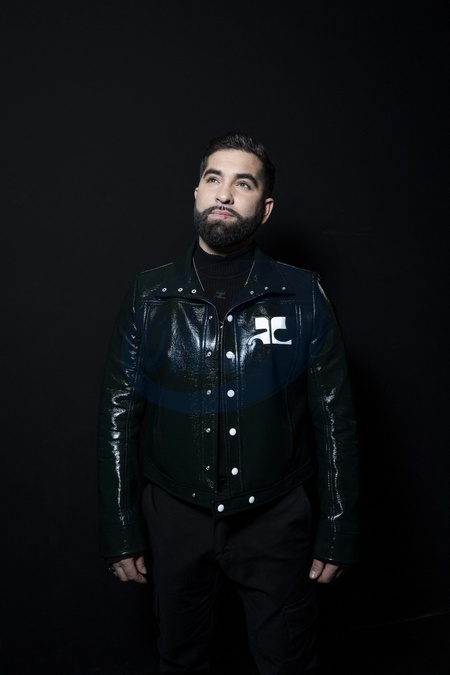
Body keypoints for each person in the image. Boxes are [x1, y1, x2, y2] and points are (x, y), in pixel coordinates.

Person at [97, 131, 359, 674]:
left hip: (275, 518)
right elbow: (118, 416)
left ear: (265, 208)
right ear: (196, 192)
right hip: (174, 516)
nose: (224, 193)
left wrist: (338, 528)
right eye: (213, 179)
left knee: (288, 660)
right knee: (181, 657)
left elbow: (335, 418)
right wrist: (121, 527)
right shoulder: (149, 296)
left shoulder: (303, 294)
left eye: (243, 183)